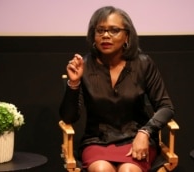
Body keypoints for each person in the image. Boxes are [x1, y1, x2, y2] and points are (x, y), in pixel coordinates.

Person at [59, 6, 175, 172]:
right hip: (97, 141)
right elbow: (69, 117)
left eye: (114, 30)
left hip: (137, 138)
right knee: (101, 169)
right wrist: (74, 83)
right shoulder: (83, 66)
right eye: (100, 30)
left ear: (127, 35)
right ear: (93, 35)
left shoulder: (143, 64)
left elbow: (166, 107)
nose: (106, 35)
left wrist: (145, 132)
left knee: (129, 170)